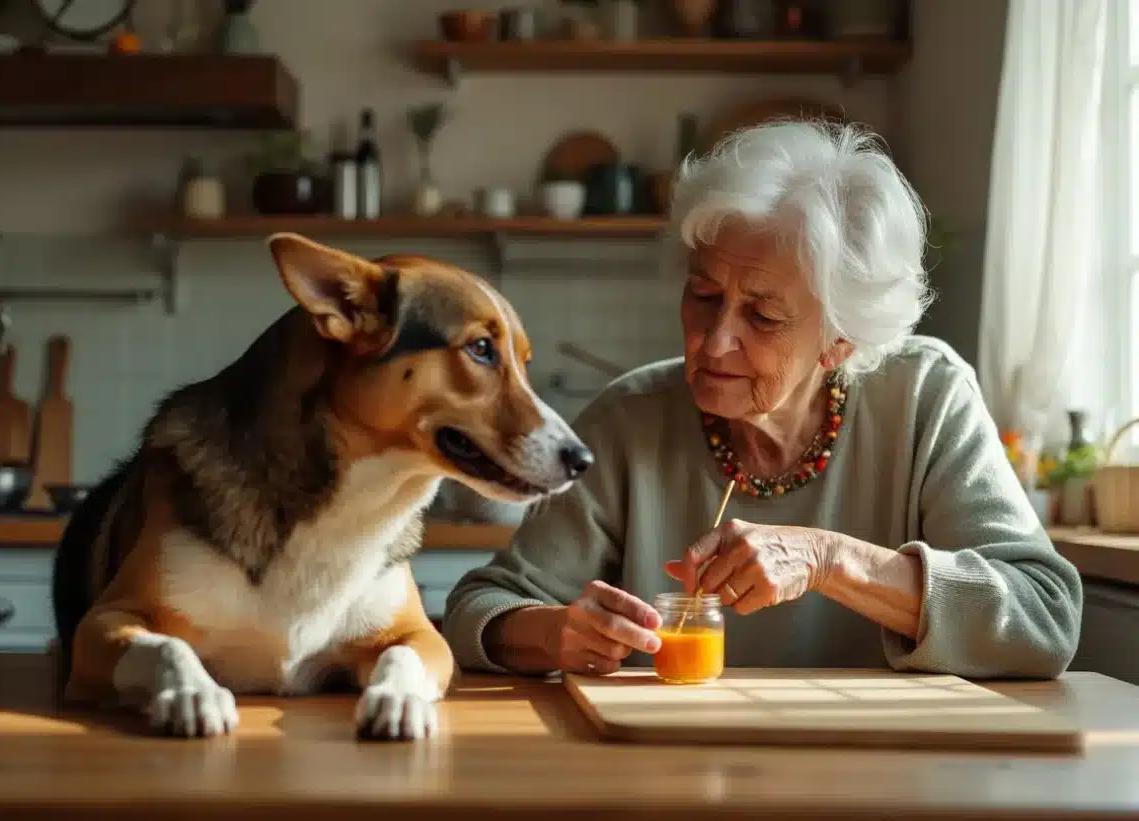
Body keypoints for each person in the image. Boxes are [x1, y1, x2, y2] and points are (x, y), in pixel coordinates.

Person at [442, 119, 1083, 680]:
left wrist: (829, 559)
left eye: (764, 317)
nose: (715, 341)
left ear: (840, 341)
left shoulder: (925, 397)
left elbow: (1043, 618)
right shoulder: (628, 420)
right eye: (703, 294)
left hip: (881, 777)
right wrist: (556, 633)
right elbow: (481, 607)